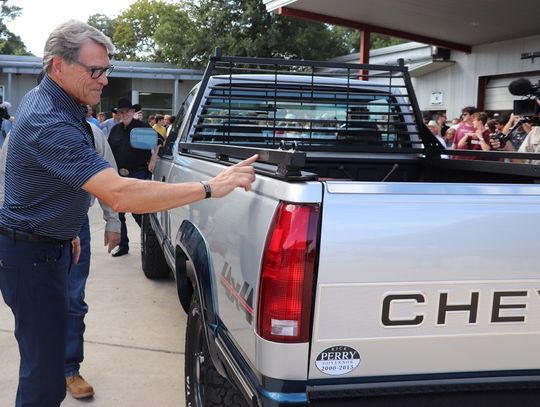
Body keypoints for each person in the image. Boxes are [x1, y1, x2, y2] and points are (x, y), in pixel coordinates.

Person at [0, 20, 256, 407]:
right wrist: (209, 187)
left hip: (44, 244)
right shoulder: (49, 121)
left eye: (107, 69)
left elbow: (44, 179)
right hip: (31, 255)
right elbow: (119, 193)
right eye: (96, 70)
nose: (104, 80)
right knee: (44, 375)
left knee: (48, 360)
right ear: (58, 66)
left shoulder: (57, 103)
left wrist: (65, 226)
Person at [0, 123, 121, 400]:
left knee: (73, 299)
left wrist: (113, 221)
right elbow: (5, 175)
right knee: (35, 313)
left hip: (74, 225)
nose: (100, 82)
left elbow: (109, 179)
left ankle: (68, 369)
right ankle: (43, 370)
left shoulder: (91, 134)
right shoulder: (28, 126)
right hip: (30, 228)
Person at [107, 98, 154, 257]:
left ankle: (150, 244)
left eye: (127, 111)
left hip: (138, 173)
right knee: (119, 212)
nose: (124, 114)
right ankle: (123, 245)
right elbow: (109, 151)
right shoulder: (115, 130)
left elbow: (159, 142)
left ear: (133, 112)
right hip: (118, 174)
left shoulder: (143, 127)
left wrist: (153, 159)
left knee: (138, 211)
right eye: (121, 112)